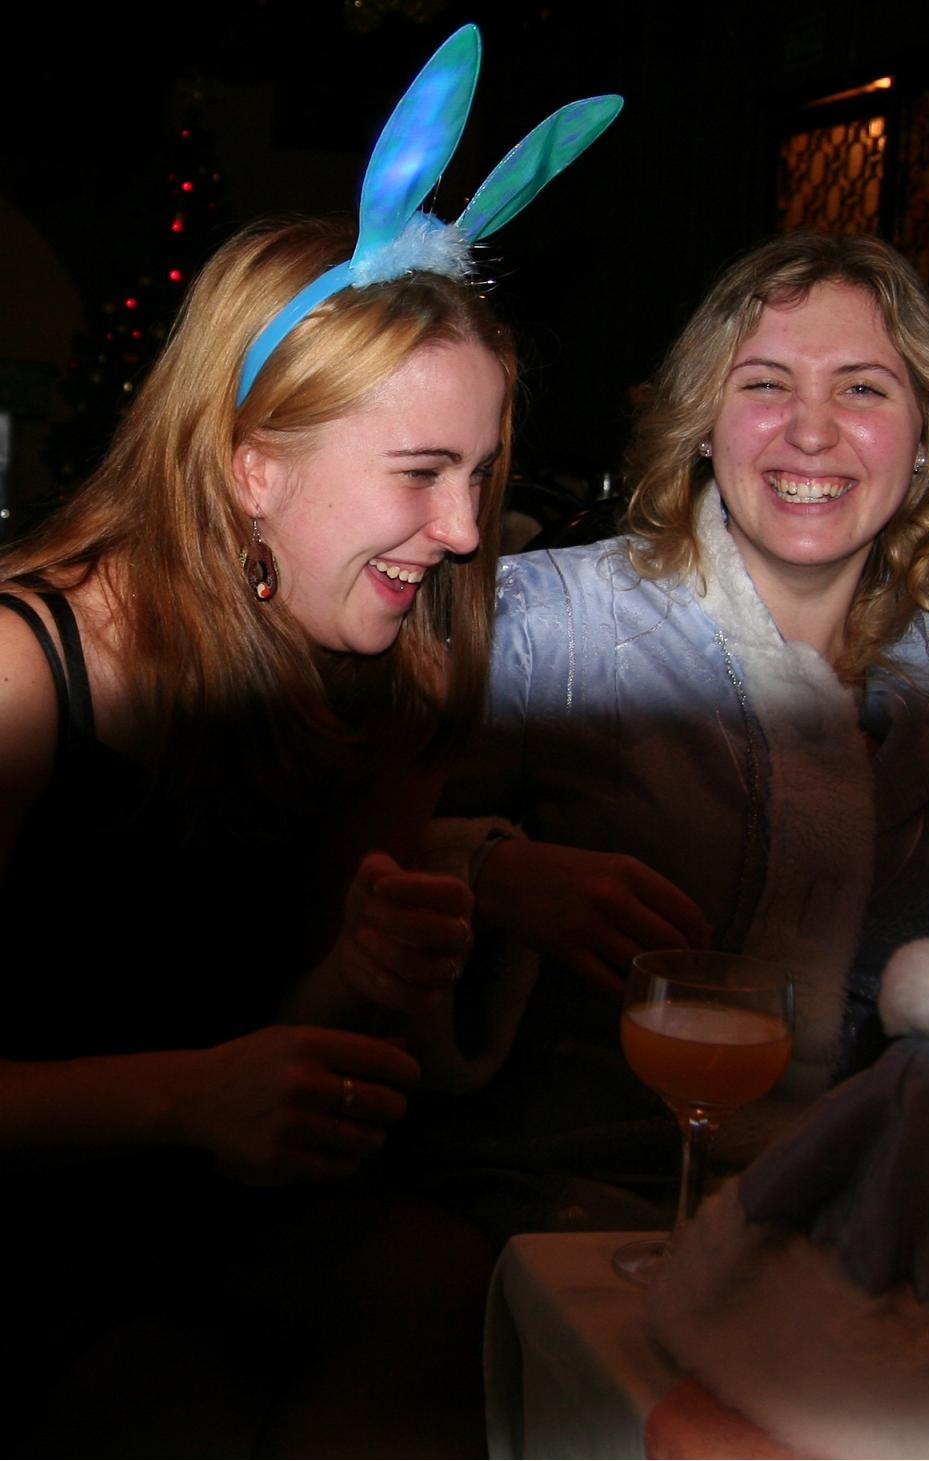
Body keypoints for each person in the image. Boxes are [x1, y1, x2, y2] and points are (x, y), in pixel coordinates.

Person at [0, 24, 620, 1457]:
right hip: (26, 1241)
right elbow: (199, 1082)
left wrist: (361, 968)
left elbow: (288, 1051)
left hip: (199, 1216)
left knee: (453, 1288)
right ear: (250, 465)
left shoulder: (387, 660)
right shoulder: (26, 673)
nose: (463, 530)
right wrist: (189, 1094)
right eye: (419, 472)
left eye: (480, 475)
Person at [433, 230, 929, 1218]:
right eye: (765, 384)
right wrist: (486, 871)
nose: (811, 432)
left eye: (863, 389)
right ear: (704, 421)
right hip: (551, 1202)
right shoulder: (544, 626)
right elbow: (316, 860)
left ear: (926, 438)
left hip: (832, 1214)